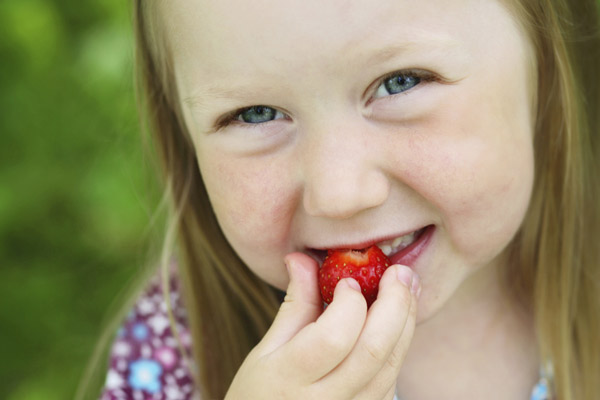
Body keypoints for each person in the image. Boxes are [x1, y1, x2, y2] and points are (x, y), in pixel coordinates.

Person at [86, 0, 600, 399]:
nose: (339, 195)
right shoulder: (171, 353)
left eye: (400, 83)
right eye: (257, 114)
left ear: (541, 70)